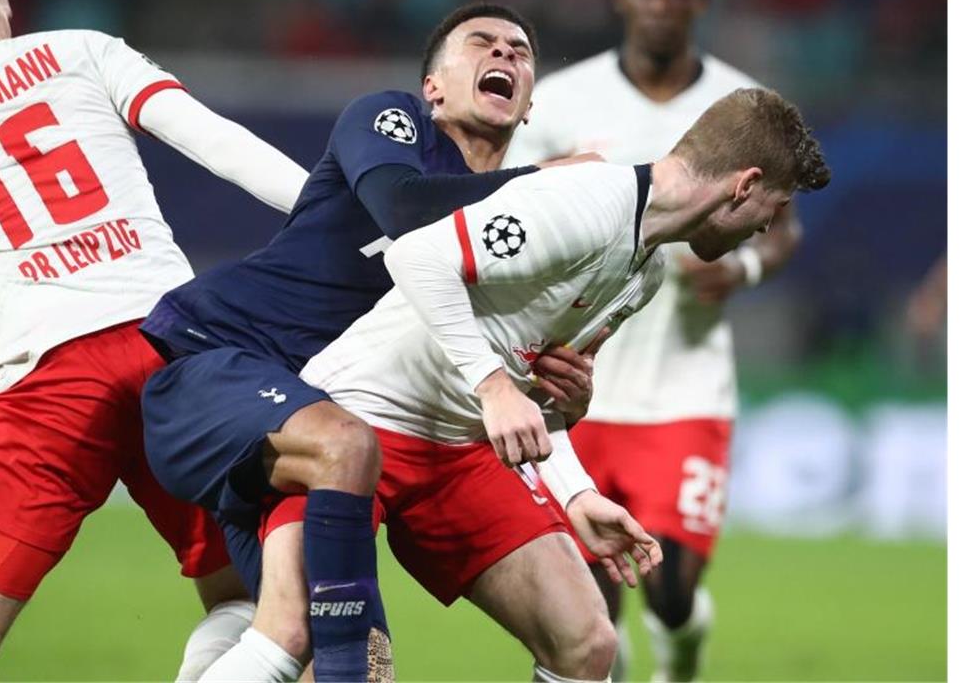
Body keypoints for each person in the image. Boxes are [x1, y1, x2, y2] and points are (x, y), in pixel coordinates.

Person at [284, 87, 831, 683]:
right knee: (336, 662)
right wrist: (493, 386)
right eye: (773, 207)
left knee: (587, 643)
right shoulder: (587, 200)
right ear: (744, 185)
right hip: (354, 427)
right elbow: (417, 258)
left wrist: (574, 492)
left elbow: (538, 393)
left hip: (456, 455)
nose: (766, 227)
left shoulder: (644, 271)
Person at [139, 3, 597, 682]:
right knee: (338, 639)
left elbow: (500, 374)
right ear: (434, 87)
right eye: (482, 43)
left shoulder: (522, 235)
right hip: (224, 369)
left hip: (358, 426)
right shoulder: (392, 120)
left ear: (528, 105)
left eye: (520, 51)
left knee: (585, 644)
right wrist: (541, 183)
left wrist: (565, 402)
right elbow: (404, 209)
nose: (505, 54)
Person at [0, 0, 310, 683]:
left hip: (50, 377)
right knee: (241, 598)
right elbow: (222, 146)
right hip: (175, 351)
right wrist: (345, 220)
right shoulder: (78, 49)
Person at [504, 0, 805, 681]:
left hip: (686, 386)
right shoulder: (564, 101)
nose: (663, 5)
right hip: (575, 388)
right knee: (596, 595)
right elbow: (514, 206)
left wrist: (744, 268)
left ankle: (681, 657)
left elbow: (785, 230)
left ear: (700, 2)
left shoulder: (745, 105)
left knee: (670, 590)